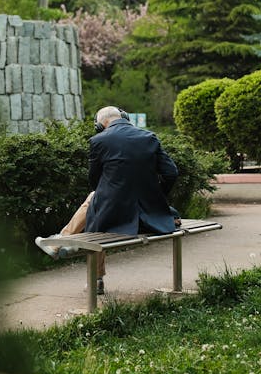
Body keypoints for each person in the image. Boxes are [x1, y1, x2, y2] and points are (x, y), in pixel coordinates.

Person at [40, 106, 179, 295]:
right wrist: (156, 198)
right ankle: (62, 242)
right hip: (151, 218)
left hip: (114, 217)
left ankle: (66, 246)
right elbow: (171, 173)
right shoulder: (149, 137)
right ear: (124, 117)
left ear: (100, 125)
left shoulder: (99, 141)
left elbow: (94, 182)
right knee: (96, 204)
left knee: (95, 209)